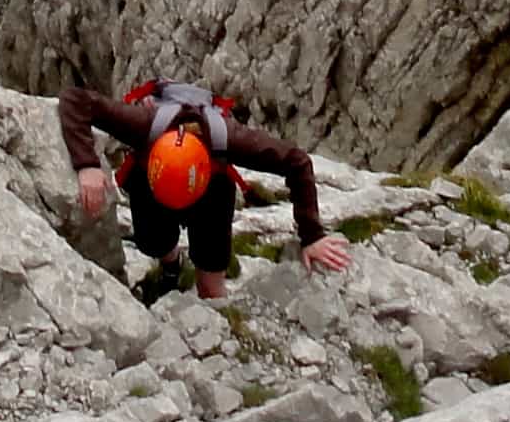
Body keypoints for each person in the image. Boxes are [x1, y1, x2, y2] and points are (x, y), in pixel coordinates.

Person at [59, 76, 354, 301]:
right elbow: (74, 99)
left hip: (210, 192)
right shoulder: (142, 125)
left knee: (212, 285)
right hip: (152, 185)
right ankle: (172, 265)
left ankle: (208, 310)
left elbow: (297, 162)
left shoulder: (229, 139)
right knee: (153, 244)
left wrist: (312, 236)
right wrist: (88, 166)